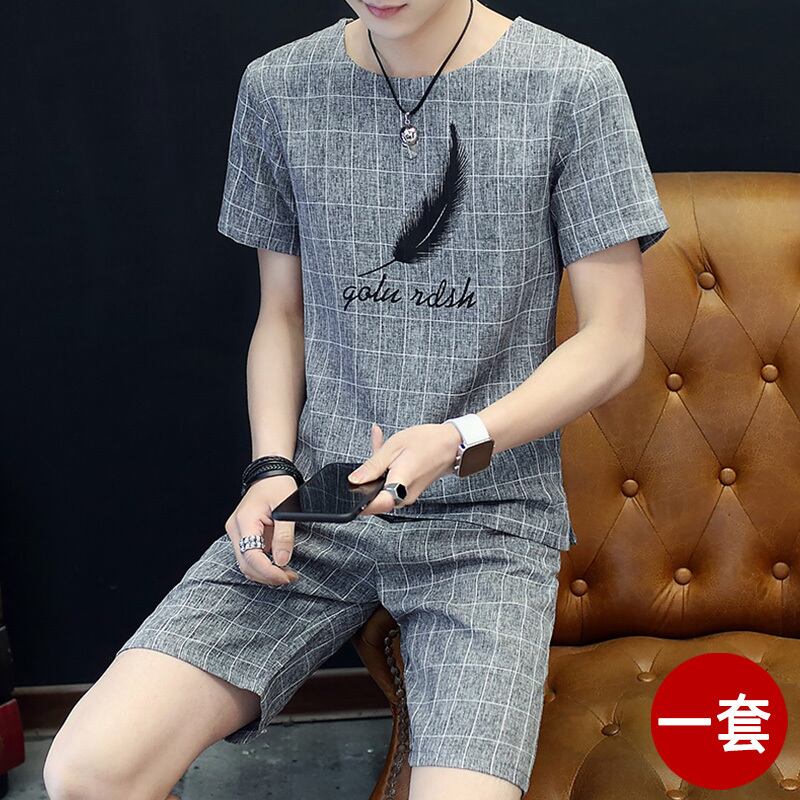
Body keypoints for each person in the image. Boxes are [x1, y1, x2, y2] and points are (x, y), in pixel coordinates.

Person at [43, 1, 669, 798]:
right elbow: (282, 314)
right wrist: (270, 468)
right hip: (319, 507)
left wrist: (460, 435)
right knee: (86, 771)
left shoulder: (572, 84)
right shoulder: (279, 86)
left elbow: (615, 339)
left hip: (488, 521)